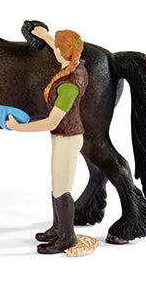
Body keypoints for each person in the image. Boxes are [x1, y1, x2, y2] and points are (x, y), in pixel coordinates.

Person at [5, 26, 88, 254]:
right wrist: (46, 37)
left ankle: (67, 237)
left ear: (61, 53)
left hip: (67, 138)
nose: (55, 51)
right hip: (63, 136)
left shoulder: (69, 85)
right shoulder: (76, 65)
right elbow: (60, 50)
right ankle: (58, 228)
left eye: (57, 48)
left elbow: (51, 122)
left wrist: (18, 127)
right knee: (57, 184)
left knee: (62, 188)